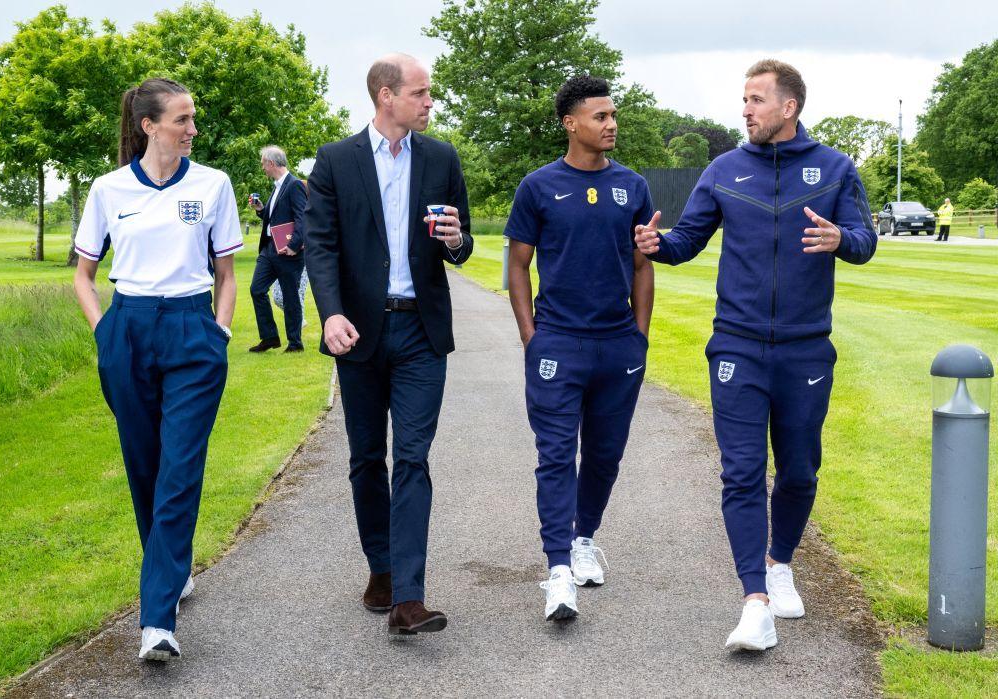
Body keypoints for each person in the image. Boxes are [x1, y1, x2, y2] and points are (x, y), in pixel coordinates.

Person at [635, 59, 876, 652]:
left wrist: (841, 239)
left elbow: (865, 241)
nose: (745, 110)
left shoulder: (835, 169)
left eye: (756, 100)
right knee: (741, 472)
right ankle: (755, 602)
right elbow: (687, 241)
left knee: (798, 470)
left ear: (788, 107)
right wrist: (656, 245)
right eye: (744, 100)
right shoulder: (724, 169)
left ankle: (780, 564)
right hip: (737, 346)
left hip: (805, 350)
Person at [72, 77, 242, 661]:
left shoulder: (214, 184)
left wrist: (219, 332)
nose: (193, 129)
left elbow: (226, 273)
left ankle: (157, 620)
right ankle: (172, 568)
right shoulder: (108, 189)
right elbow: (84, 273)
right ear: (149, 126)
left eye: (192, 119)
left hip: (194, 332)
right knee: (144, 465)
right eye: (182, 120)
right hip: (128, 328)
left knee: (180, 468)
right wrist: (105, 331)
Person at [305, 53, 473, 636]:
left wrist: (456, 241)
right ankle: (380, 567)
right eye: (422, 93)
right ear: (385, 96)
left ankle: (408, 596)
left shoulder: (442, 157)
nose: (431, 103)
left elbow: (462, 243)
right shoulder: (333, 162)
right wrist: (330, 315)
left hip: (422, 330)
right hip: (359, 332)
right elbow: (319, 247)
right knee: (365, 458)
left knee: (413, 457)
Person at [505, 76, 654, 622]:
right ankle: (557, 571)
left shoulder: (633, 187)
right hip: (558, 344)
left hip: (618, 346)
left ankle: (583, 538)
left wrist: (638, 335)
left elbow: (642, 265)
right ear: (571, 123)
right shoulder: (539, 186)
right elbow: (517, 266)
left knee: (606, 455)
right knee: (555, 455)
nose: (611, 124)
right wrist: (531, 335)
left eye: (613, 115)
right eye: (600, 116)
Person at [247, 145, 307, 352]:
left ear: (271, 163)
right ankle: (270, 337)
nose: (262, 168)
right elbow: (274, 220)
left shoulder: (294, 185)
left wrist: (294, 245)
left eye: (263, 163)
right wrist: (261, 210)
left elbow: (302, 218)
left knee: (291, 297)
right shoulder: (277, 186)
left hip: (288, 252)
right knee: (256, 290)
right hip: (269, 250)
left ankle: (295, 343)